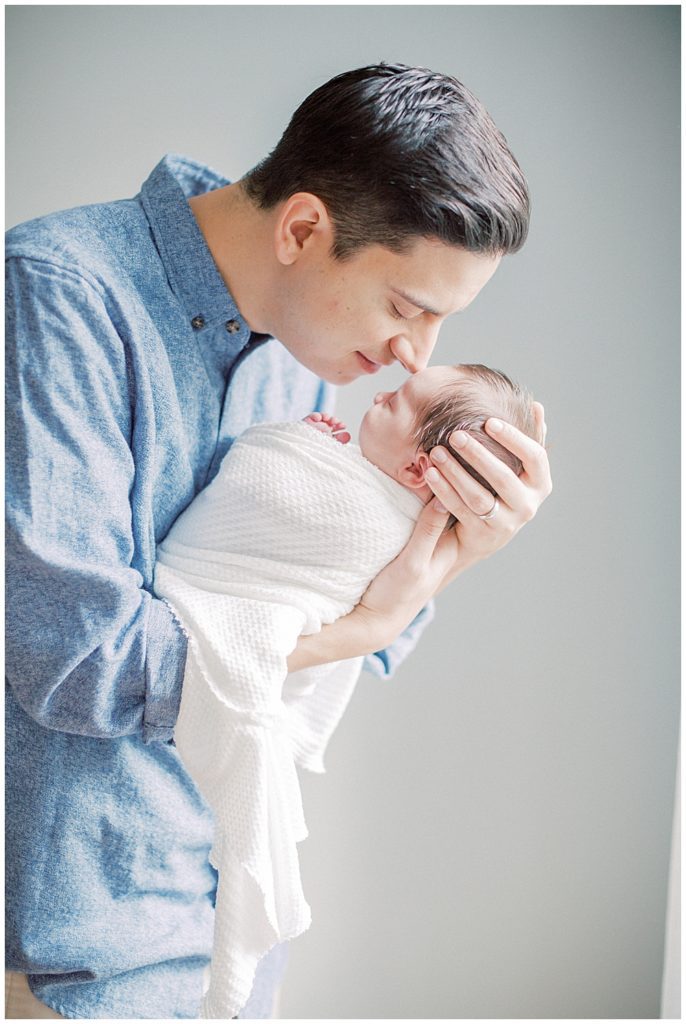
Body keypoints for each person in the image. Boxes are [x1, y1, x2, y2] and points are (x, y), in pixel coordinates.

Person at [5, 64, 552, 1019]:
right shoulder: (60, 296)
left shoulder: (296, 359)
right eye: (408, 307)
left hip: (223, 939)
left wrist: (450, 549)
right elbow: (76, 659)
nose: (414, 356)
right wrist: (360, 626)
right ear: (303, 229)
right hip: (75, 956)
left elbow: (309, 629)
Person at [152, 361, 541, 1019]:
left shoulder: (383, 525)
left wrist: (422, 583)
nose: (392, 378)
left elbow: (257, 471)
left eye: (400, 403)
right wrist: (310, 444)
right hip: (187, 686)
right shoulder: (344, 448)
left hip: (234, 672)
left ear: (419, 472)